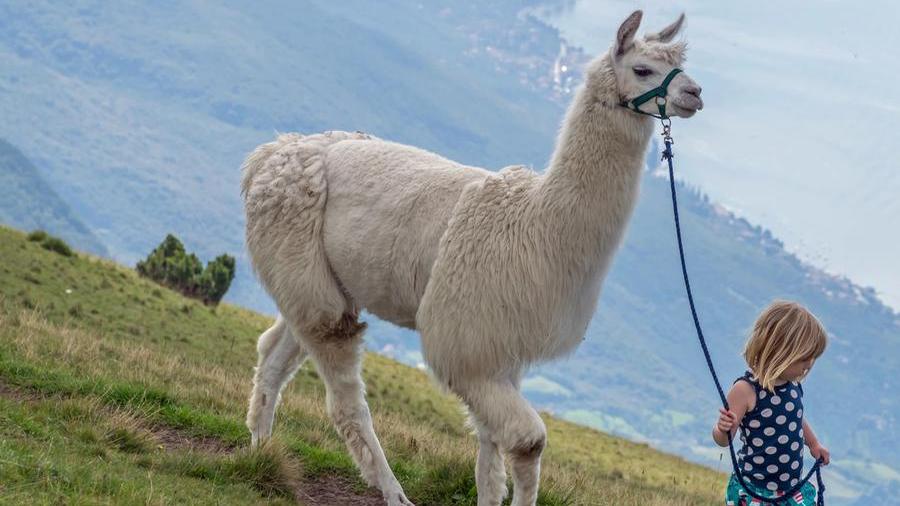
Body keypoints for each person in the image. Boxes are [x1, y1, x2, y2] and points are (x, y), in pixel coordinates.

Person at [713, 300, 830, 505]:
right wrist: (723, 429)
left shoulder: (793, 387)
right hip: (756, 491)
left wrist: (813, 444)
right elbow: (724, 441)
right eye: (805, 357)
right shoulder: (745, 391)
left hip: (789, 490)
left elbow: (796, 419)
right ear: (780, 351)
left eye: (813, 357)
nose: (810, 364)